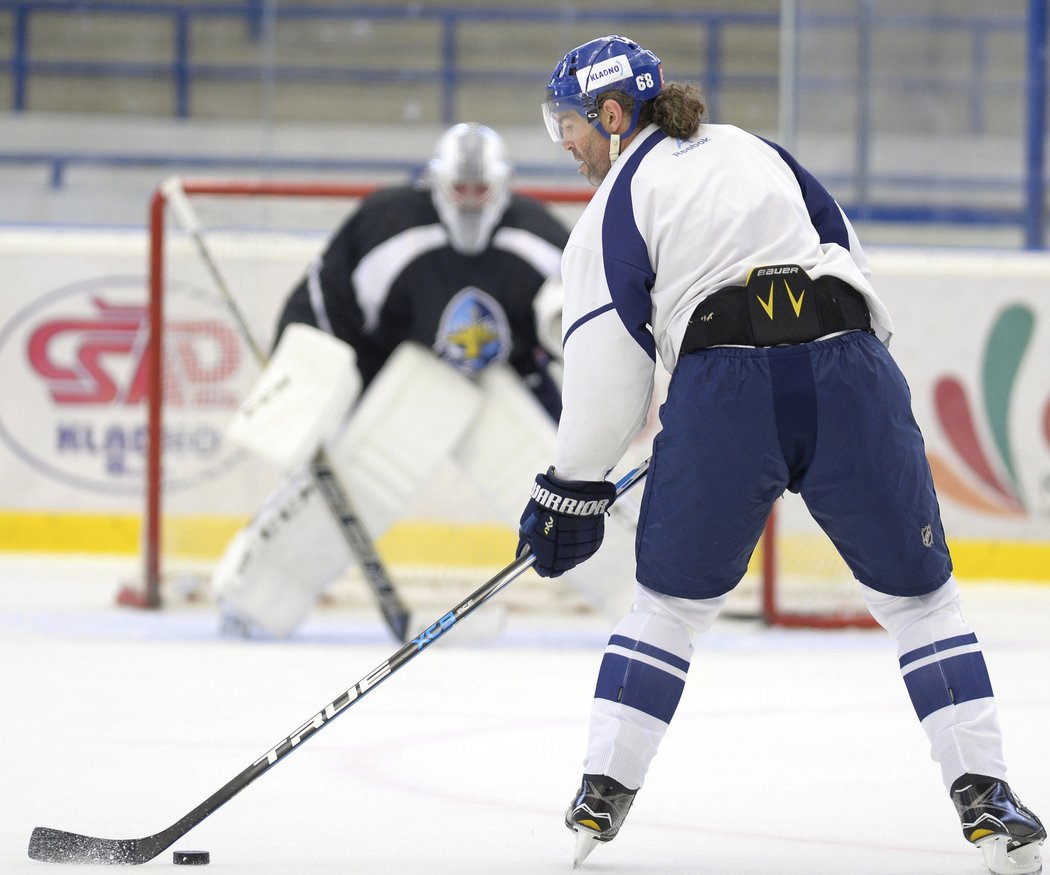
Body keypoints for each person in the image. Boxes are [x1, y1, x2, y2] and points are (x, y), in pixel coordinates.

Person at [515, 35, 1045, 874]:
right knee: (922, 605)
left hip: (723, 392)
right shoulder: (760, 150)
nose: (568, 145)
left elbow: (609, 374)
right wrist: (820, 382)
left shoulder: (615, 204)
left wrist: (568, 490)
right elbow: (849, 262)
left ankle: (601, 793)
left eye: (570, 126)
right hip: (851, 373)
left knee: (668, 609)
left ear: (613, 116)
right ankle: (987, 796)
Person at [215, 121, 639, 638]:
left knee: (568, 484)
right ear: (435, 184)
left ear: (501, 187)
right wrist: (310, 387)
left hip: (509, 381)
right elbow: (322, 308)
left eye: (479, 188)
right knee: (349, 481)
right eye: (458, 187)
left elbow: (579, 323)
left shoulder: (540, 237)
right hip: (396, 375)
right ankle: (259, 596)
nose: (468, 201)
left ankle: (640, 598)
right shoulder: (387, 226)